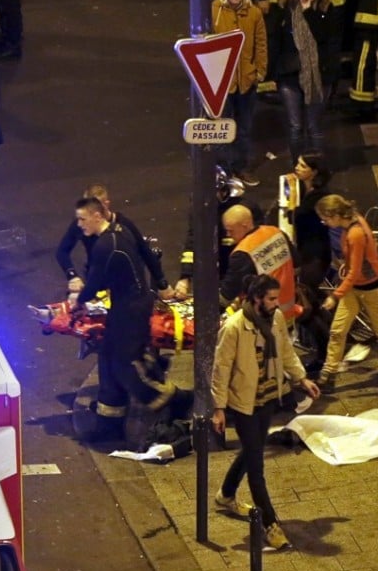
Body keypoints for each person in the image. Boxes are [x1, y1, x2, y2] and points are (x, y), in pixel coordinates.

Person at [211, 273, 320, 551]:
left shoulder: (276, 320)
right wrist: (219, 408)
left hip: (268, 397)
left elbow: (285, 351)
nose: (276, 303)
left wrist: (301, 378)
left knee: (253, 449)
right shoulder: (235, 327)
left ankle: (225, 496)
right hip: (244, 403)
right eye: (271, 298)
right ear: (256, 298)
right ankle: (270, 525)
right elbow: (221, 369)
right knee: (256, 467)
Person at [72, 197, 184, 442]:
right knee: (110, 358)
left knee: (125, 364)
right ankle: (109, 422)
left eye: (82, 218)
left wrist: (77, 301)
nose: (79, 224)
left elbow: (94, 283)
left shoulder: (105, 245)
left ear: (97, 216)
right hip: (128, 305)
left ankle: (171, 400)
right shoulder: (116, 236)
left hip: (131, 309)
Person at [314, 194, 378, 390]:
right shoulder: (354, 221)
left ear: (334, 215)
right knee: (338, 329)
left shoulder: (354, 234)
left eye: (325, 218)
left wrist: (335, 295)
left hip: (370, 288)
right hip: (357, 286)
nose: (324, 222)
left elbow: (356, 272)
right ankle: (329, 372)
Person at [271, 0, 340, 164]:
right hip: (290, 76)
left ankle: (317, 170)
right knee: (295, 127)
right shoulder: (285, 9)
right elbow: (276, 42)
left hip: (318, 76)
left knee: (314, 126)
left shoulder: (326, 9)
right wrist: (275, 72)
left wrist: (310, 13)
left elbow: (326, 38)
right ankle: (298, 168)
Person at [55, 183, 171, 296]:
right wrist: (72, 276)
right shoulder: (82, 223)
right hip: (96, 280)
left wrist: (162, 283)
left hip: (124, 284)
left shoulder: (124, 224)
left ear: (106, 204)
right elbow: (62, 251)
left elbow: (145, 251)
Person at [212, 0, 267, 187]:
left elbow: (261, 44)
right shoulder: (214, 11)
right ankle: (224, 171)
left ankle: (241, 168)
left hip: (246, 81)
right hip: (223, 84)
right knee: (223, 129)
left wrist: (259, 72)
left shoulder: (253, 13)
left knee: (244, 128)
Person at [173, 167, 263, 299]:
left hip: (243, 268)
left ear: (222, 190)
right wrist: (185, 277)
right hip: (215, 270)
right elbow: (193, 241)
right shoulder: (200, 208)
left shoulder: (245, 208)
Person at [291, 152, 334, 374]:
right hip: (306, 251)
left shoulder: (319, 196)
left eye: (302, 165)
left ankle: (325, 352)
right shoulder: (302, 189)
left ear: (314, 171)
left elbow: (301, 218)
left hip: (316, 255)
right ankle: (329, 342)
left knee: (307, 304)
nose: (297, 167)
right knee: (313, 301)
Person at [219, 204, 297, 318]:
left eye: (231, 231)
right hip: (288, 310)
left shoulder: (243, 252)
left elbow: (228, 293)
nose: (228, 235)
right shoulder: (276, 232)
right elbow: (297, 265)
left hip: (264, 318)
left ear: (244, 225)